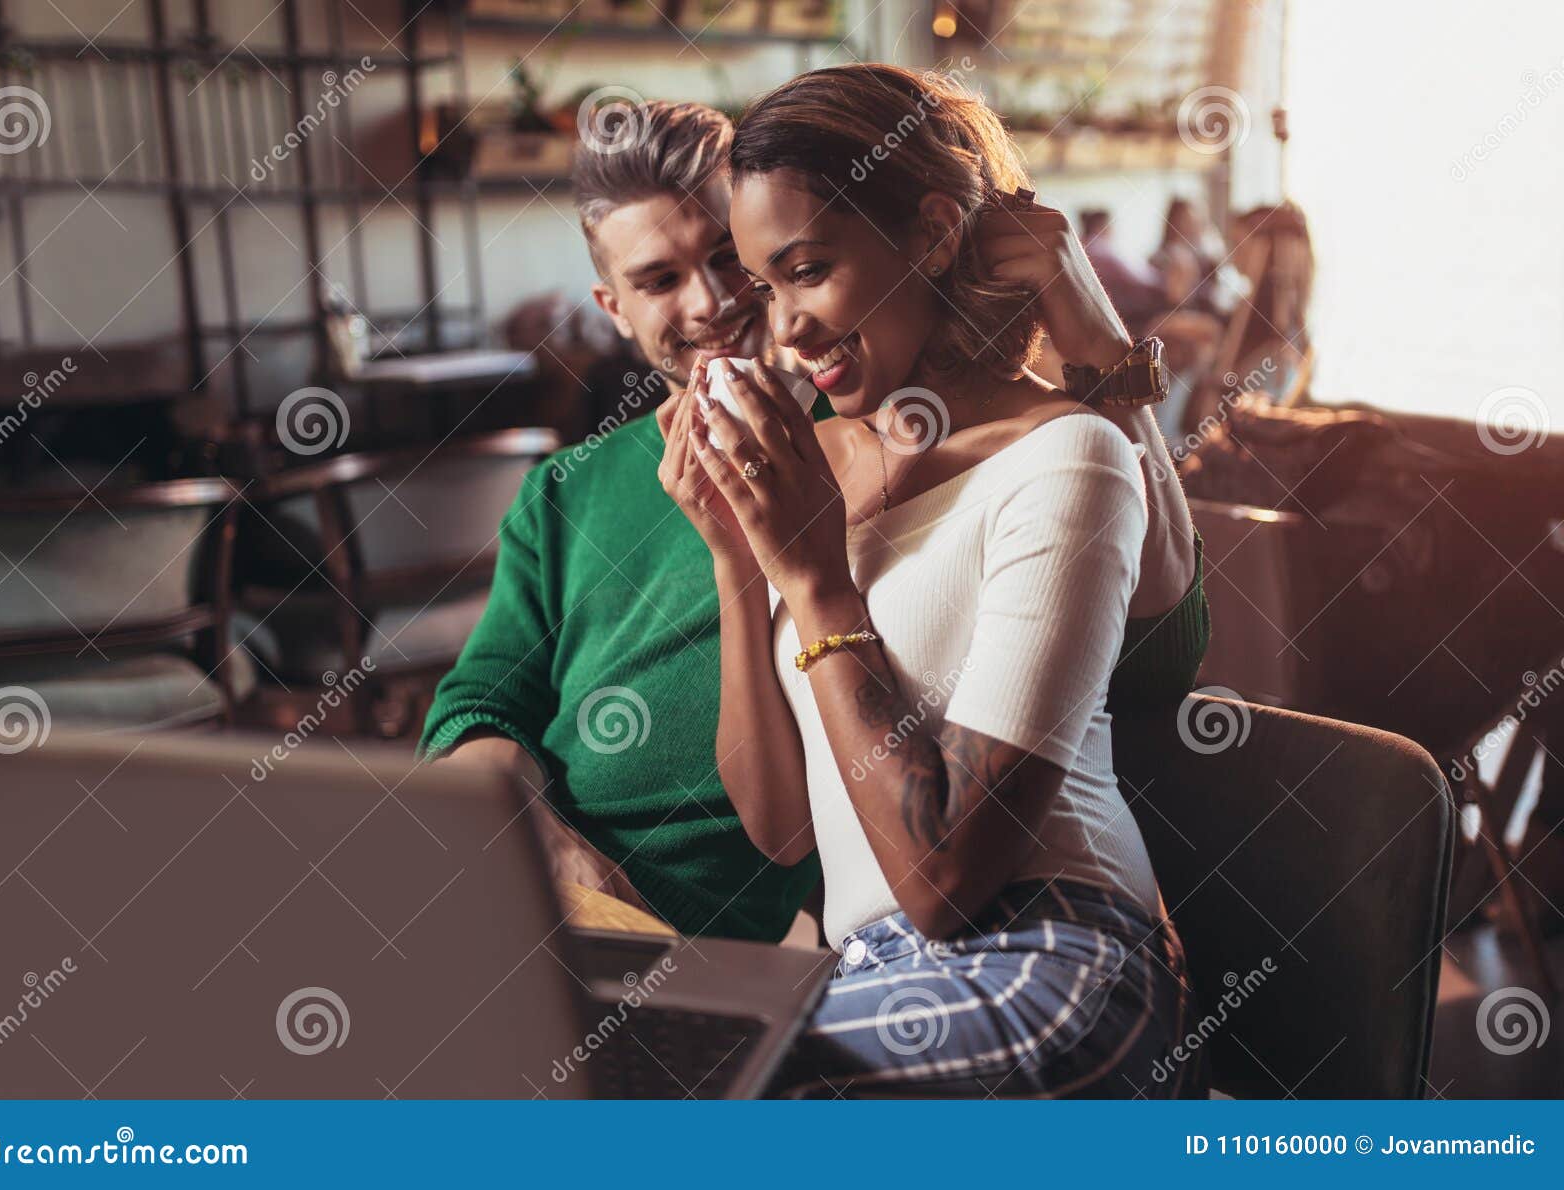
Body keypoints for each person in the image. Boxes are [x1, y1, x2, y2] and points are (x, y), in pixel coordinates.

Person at [419, 100, 1209, 949]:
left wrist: (1095, 340)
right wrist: (547, 849)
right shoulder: (565, 492)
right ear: (613, 308)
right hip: (526, 889)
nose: (714, 303)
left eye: (734, 260)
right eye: (658, 281)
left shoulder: (876, 445)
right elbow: (476, 708)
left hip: (721, 947)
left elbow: (1156, 660)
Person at [658, 64, 1201, 1095]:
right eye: (764, 287)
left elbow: (946, 877)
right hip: (864, 970)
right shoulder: (810, 469)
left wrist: (817, 584)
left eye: (809, 269)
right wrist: (740, 560)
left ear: (933, 232)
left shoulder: (1065, 454)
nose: (786, 330)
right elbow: (780, 829)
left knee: (728, 1097)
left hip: (1054, 956)